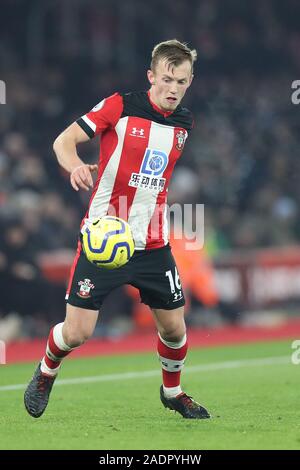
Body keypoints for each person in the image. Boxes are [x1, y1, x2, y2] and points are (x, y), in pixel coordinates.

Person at [24, 39, 211, 420]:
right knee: (77, 333)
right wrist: (74, 164)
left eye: (182, 81)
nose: (173, 89)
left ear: (190, 82)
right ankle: (46, 372)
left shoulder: (184, 123)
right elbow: (63, 141)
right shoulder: (120, 105)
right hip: (104, 237)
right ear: (151, 76)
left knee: (175, 329)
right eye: (167, 79)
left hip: (153, 243)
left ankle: (172, 393)